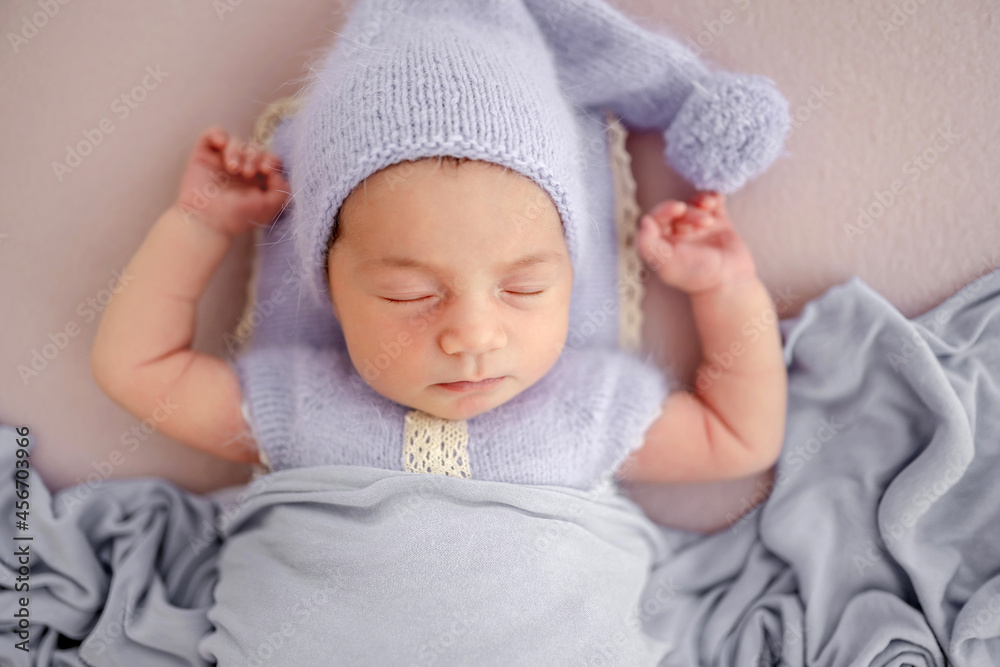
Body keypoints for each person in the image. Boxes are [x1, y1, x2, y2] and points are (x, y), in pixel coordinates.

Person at [91, 0, 788, 515]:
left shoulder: (586, 410)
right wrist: (199, 226)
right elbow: (137, 368)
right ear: (329, 287)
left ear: (573, 279)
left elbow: (738, 437)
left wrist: (726, 289)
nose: (473, 337)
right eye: (408, 294)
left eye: (524, 288)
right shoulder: (300, 406)